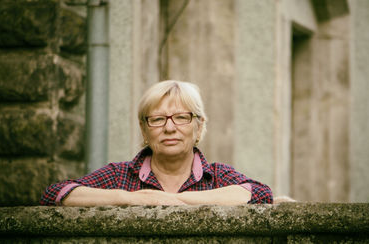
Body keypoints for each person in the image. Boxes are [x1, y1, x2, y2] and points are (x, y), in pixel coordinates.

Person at [40, 80, 273, 206]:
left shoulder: (217, 176)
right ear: (144, 128)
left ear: (199, 126)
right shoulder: (119, 176)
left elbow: (260, 194)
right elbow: (55, 194)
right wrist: (130, 198)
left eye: (182, 117)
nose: (169, 128)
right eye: (157, 119)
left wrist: (171, 200)